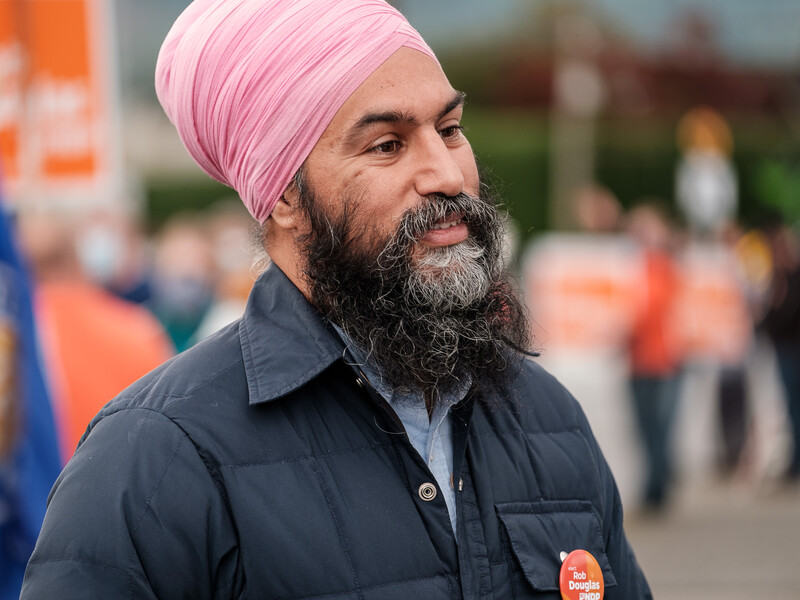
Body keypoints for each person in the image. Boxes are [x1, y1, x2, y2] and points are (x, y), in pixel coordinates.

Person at [21, 1, 652, 598]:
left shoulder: (546, 416)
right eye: (387, 145)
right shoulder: (156, 457)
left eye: (450, 129)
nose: (449, 174)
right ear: (286, 198)